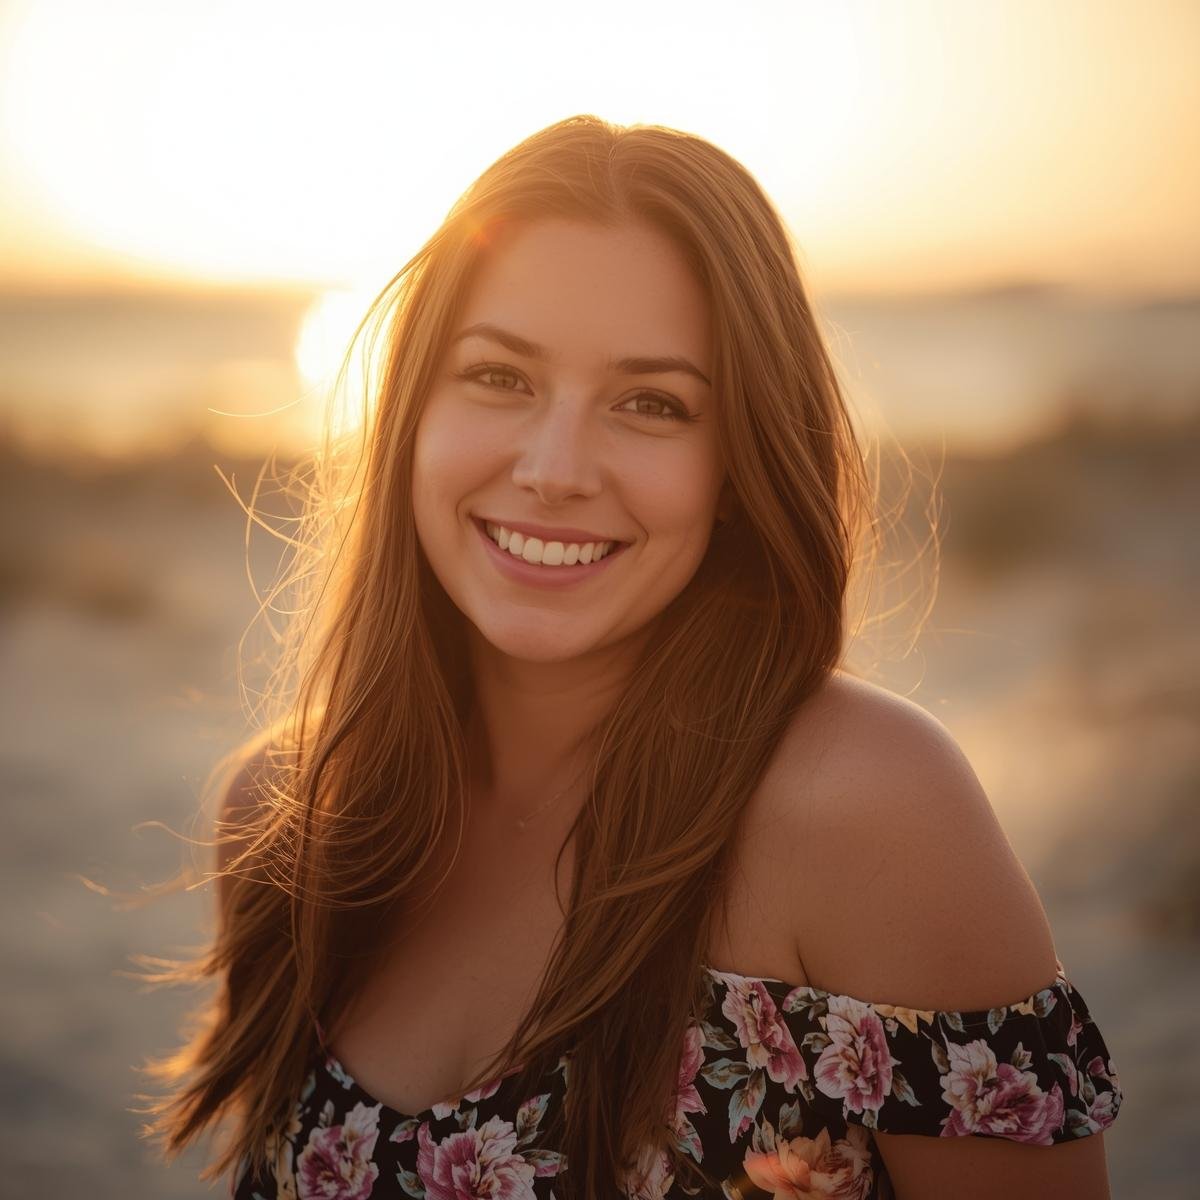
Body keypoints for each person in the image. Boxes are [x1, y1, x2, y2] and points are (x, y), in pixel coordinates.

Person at [142, 115, 1122, 1199]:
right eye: (500, 377)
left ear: (740, 463)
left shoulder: (867, 809)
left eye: (651, 403)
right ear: (410, 411)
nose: (555, 469)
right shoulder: (286, 824)